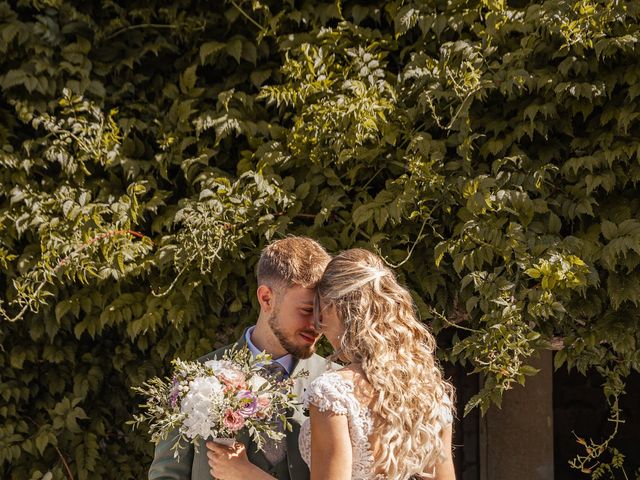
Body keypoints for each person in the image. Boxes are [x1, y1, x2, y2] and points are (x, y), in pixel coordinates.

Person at [148, 236, 332, 480]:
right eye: (307, 310)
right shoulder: (195, 378)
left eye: (323, 311)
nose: (317, 324)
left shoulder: (335, 381)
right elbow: (166, 475)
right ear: (266, 298)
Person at [299, 248, 456, 479]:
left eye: (319, 311)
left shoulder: (332, 392)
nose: (319, 326)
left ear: (334, 306)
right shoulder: (429, 390)